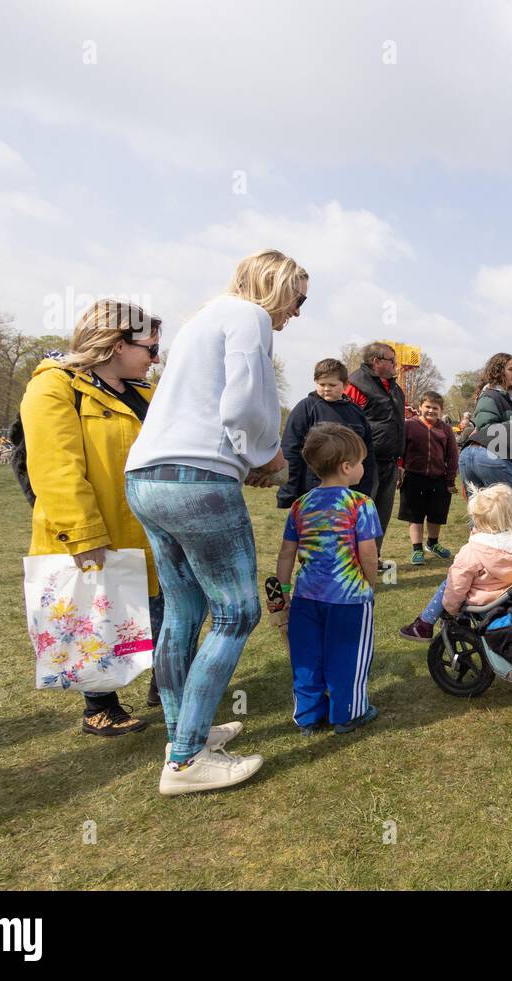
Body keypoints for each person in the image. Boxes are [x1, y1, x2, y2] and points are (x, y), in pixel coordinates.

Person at [126, 248, 306, 796]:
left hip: (146, 476)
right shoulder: (248, 317)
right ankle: (185, 760)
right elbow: (247, 404)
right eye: (297, 300)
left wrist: (243, 457)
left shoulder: (202, 320)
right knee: (237, 611)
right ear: (275, 286)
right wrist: (268, 457)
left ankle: (185, 734)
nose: (295, 314)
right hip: (197, 481)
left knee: (184, 610)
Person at [20, 299, 165, 736]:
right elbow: (54, 466)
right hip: (94, 531)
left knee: (155, 612)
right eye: (150, 349)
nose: (155, 359)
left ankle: (166, 684)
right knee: (92, 619)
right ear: (116, 344)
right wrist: (82, 531)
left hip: (148, 527)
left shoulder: (145, 394)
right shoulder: (54, 388)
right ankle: (99, 707)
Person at [276, 422, 381, 735]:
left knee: (307, 659)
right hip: (349, 600)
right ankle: (348, 714)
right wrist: (370, 585)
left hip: (306, 598)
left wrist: (283, 590)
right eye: (361, 462)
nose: (363, 467)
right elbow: (369, 555)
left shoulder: (300, 505)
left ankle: (307, 717)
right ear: (347, 467)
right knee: (347, 657)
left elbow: (285, 555)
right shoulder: (361, 505)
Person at [397, 484, 512, 652]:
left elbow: (457, 584)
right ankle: (449, 621)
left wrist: (451, 609)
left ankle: (424, 624)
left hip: (484, 600)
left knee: (449, 582)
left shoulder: (475, 549)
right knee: (465, 581)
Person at [278, 357, 374, 507]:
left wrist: (365, 491)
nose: (326, 388)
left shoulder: (356, 413)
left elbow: (367, 455)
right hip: (312, 490)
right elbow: (291, 449)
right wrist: (288, 491)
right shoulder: (306, 408)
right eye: (322, 384)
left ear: (346, 385)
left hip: (349, 493)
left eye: (332, 384)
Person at [346, 342, 407, 566]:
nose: (396, 365)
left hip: (390, 462)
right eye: (392, 360)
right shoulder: (356, 385)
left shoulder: (395, 389)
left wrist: (400, 460)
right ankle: (352, 558)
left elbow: (399, 426)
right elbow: (347, 423)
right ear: (376, 361)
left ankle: (373, 557)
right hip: (365, 462)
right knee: (361, 513)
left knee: (382, 513)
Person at [459, 352, 512, 518]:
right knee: (508, 515)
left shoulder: (510, 398)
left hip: (476, 456)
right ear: (498, 371)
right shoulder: (490, 395)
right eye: (510, 369)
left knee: (483, 516)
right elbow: (488, 428)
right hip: (488, 455)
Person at [400, 390, 458, 565]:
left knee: (436, 514)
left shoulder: (446, 429)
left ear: (440, 410)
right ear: (420, 407)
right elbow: (400, 450)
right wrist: (399, 470)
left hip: (438, 478)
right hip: (414, 477)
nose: (431, 411)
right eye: (427, 407)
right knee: (415, 514)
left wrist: (450, 480)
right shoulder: (409, 425)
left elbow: (453, 456)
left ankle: (433, 543)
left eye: (435, 408)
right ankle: (417, 549)